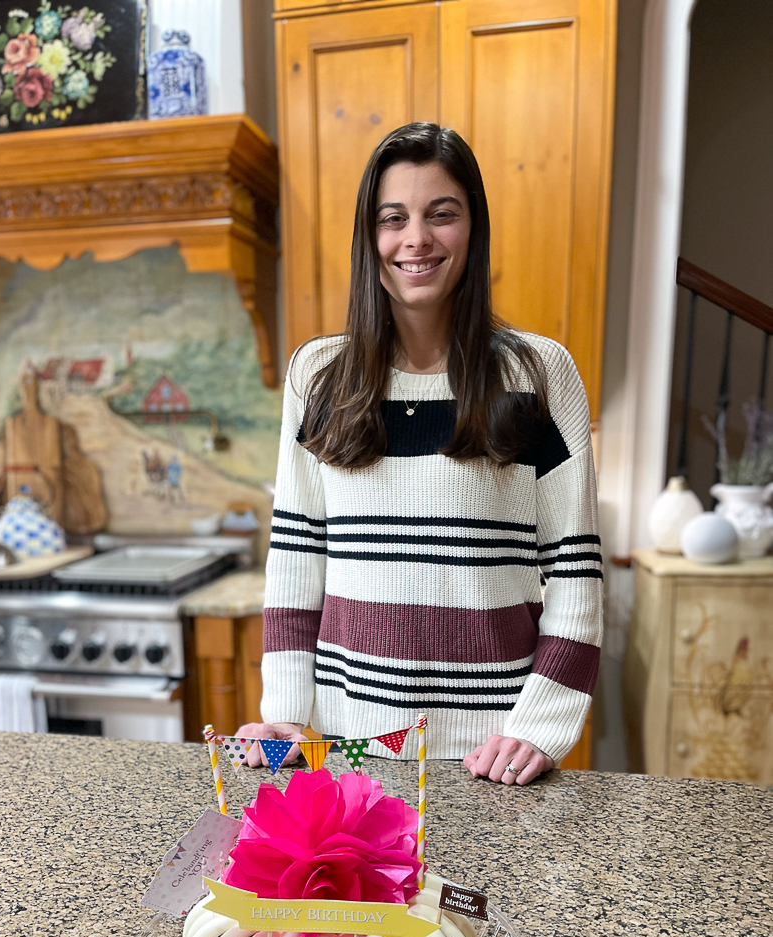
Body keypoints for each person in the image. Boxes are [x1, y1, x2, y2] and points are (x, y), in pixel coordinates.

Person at [237, 122, 602, 785]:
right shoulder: (318, 377)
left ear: (473, 229)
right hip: (346, 755)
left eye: (442, 215)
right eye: (393, 218)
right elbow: (296, 558)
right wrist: (285, 713)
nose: (416, 239)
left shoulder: (539, 374)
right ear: (369, 237)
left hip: (492, 759)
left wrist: (539, 726)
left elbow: (575, 572)